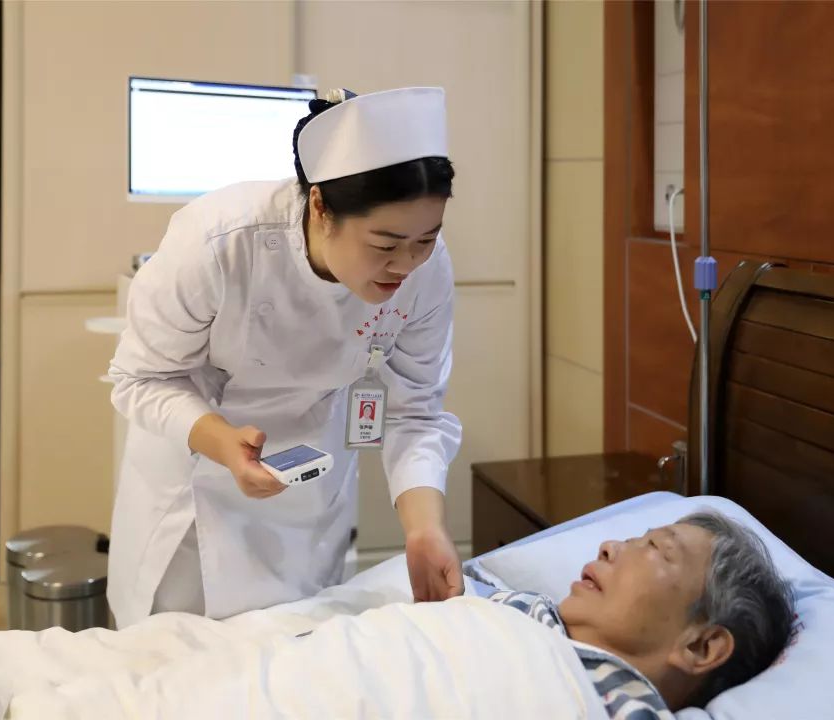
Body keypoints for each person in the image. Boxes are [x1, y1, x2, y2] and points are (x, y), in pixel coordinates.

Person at [106, 87, 464, 628]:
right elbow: (141, 379)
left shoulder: (426, 271)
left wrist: (424, 528)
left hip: (307, 495)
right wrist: (221, 442)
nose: (406, 265)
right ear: (320, 206)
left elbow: (415, 411)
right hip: (194, 494)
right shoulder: (219, 242)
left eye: (426, 239)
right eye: (385, 245)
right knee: (178, 654)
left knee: (298, 644)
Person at [489, 511, 795, 717]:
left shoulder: (619, 706)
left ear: (700, 646)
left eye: (655, 547)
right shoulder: (519, 607)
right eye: (631, 541)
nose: (608, 547)